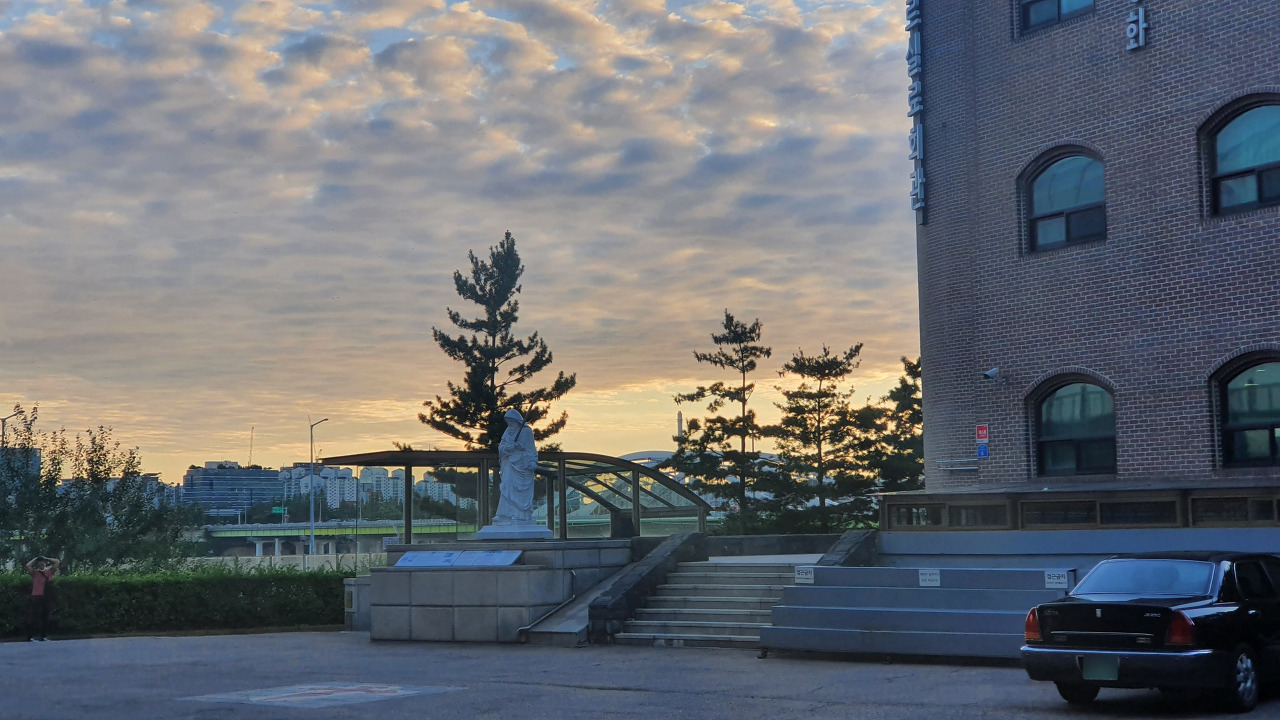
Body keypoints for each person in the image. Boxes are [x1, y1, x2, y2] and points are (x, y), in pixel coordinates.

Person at [492, 409, 538, 524]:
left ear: (517, 421)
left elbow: (531, 448)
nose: (510, 424)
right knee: (506, 486)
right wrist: (507, 448)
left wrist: (533, 461)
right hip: (509, 464)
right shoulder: (508, 431)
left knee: (519, 490)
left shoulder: (526, 431)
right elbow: (501, 447)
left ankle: (519, 515)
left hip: (522, 465)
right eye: (508, 422)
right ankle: (504, 514)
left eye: (512, 422)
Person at [24, 555, 60, 642]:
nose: (41, 565)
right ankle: (30, 636)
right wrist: (35, 558)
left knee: (45, 617)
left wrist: (46, 558)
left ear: (45, 564)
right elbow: (27, 565)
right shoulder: (35, 573)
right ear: (37, 565)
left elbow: (57, 561)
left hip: (46, 596)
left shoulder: (50, 571)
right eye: (39, 564)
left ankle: (43, 636)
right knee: (34, 617)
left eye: (43, 564)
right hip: (36, 596)